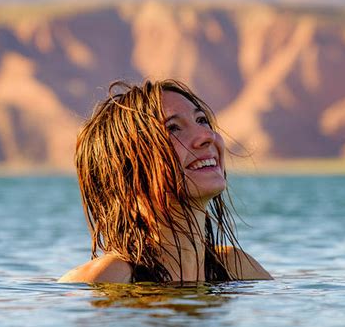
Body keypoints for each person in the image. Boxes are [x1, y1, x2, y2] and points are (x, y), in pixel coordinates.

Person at [58, 79, 273, 284]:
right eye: (173, 128)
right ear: (128, 170)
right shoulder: (108, 276)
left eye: (201, 120)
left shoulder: (237, 269)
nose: (206, 136)